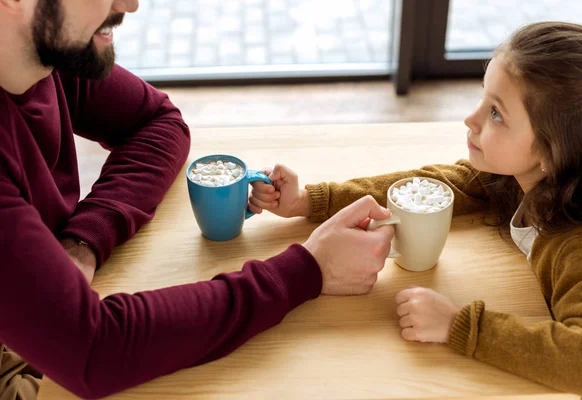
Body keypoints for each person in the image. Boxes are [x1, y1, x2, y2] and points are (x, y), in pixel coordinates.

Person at [0, 0, 395, 398]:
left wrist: (84, 240)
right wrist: (307, 268)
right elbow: (94, 350)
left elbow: (158, 122)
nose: (129, 5)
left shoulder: (44, 59)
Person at [250, 22, 582, 397]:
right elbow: (431, 184)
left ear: (551, 152)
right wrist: (309, 201)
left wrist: (459, 325)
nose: (471, 118)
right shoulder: (517, 178)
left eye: (496, 113)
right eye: (483, 96)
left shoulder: (581, 243)